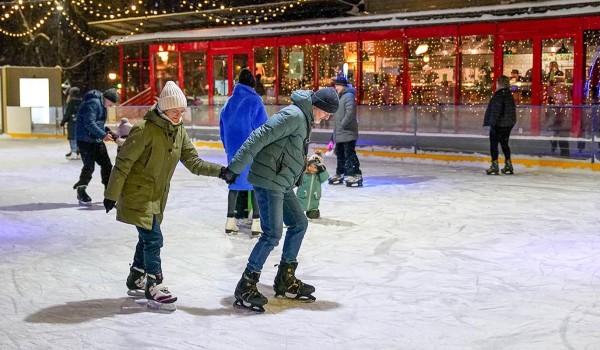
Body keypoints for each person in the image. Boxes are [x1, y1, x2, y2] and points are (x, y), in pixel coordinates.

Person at [103, 81, 225, 309]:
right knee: (153, 238)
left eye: (182, 111)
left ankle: (136, 275)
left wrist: (221, 171)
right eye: (174, 111)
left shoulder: (179, 131)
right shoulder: (144, 130)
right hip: (137, 195)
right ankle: (153, 284)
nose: (179, 115)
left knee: (147, 238)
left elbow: (193, 162)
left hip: (158, 196)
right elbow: (123, 163)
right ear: (162, 109)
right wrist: (112, 194)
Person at [219, 87, 339, 312]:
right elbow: (259, 136)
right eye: (326, 112)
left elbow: (287, 150)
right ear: (317, 105)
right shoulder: (293, 115)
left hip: (281, 181)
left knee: (299, 224)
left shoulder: (303, 118)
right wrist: (234, 168)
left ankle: (285, 277)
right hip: (268, 180)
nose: (327, 118)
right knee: (272, 234)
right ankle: (246, 284)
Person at [219, 68, 268, 237]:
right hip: (251, 148)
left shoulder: (229, 102)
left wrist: (228, 147)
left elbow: (222, 128)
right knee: (254, 183)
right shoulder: (255, 101)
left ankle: (230, 221)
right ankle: (256, 222)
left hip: (233, 149)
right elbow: (263, 128)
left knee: (234, 182)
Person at [72, 88, 118, 205]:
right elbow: (89, 123)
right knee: (89, 167)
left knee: (106, 165)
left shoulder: (101, 105)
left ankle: (109, 193)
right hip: (85, 140)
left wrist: (107, 131)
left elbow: (98, 123)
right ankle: (81, 191)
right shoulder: (93, 103)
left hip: (96, 140)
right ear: (107, 99)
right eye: (111, 103)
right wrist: (103, 135)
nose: (111, 106)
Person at [329, 76, 363, 187]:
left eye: (338, 85)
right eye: (335, 85)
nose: (336, 87)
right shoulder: (339, 96)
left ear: (343, 86)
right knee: (339, 153)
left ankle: (354, 174)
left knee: (349, 153)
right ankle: (341, 172)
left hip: (347, 131)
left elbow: (350, 113)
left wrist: (342, 125)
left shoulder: (348, 96)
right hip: (339, 131)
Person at [483, 75, 517, 175]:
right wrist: (510, 123)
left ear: (499, 83)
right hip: (507, 124)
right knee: (504, 144)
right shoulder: (509, 95)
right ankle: (508, 164)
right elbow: (511, 111)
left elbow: (495, 110)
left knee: (494, 144)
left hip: (498, 124)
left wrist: (492, 123)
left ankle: (494, 165)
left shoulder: (499, 95)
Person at [296, 151, 329, 219]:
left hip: (314, 199)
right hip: (302, 197)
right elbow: (296, 179)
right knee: (298, 215)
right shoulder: (304, 173)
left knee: (313, 216)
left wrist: (323, 171)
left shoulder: (319, 176)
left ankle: (313, 211)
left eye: (315, 167)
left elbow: (324, 178)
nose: (312, 168)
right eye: (310, 166)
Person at [61, 87, 82, 160]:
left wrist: (62, 122)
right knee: (78, 138)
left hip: (73, 123)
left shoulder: (72, 102)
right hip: (80, 123)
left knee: (73, 137)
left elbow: (68, 113)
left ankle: (74, 152)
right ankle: (78, 152)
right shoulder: (81, 101)